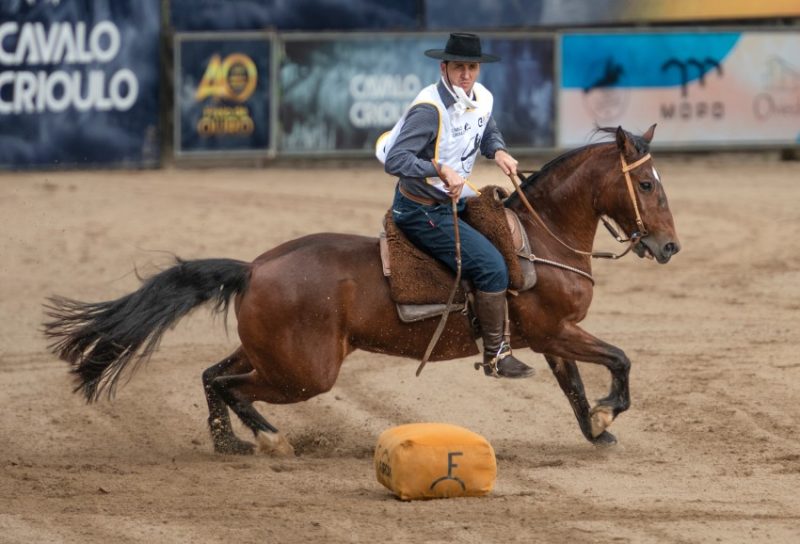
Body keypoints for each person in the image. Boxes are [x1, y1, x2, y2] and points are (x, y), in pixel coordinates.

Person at [376, 33, 534, 379]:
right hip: (421, 209)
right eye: (459, 67)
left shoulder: (480, 97)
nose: (466, 74)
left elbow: (485, 128)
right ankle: (495, 356)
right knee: (494, 267)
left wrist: (499, 150)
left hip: (455, 202)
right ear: (443, 67)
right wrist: (439, 168)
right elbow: (396, 160)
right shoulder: (428, 109)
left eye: (472, 67)